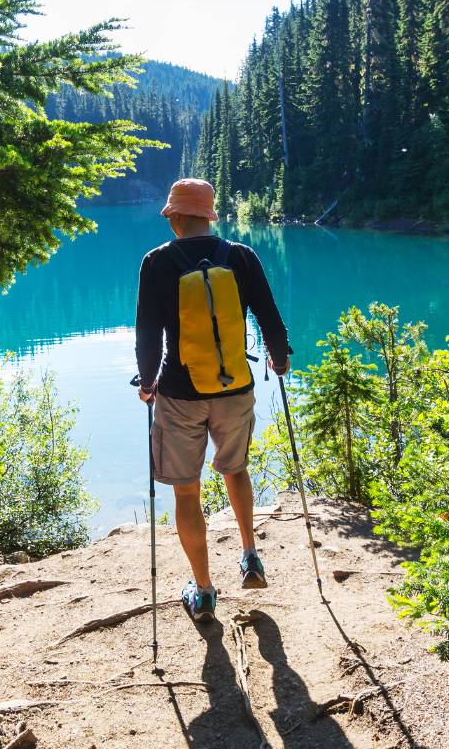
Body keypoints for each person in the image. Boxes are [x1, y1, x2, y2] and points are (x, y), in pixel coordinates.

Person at [135, 178, 291, 623]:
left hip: (181, 395)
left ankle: (203, 589)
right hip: (235, 389)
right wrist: (278, 359)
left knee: (187, 489)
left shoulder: (157, 262)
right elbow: (269, 316)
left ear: (178, 216)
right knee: (235, 469)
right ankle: (250, 556)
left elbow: (148, 335)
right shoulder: (241, 256)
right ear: (209, 216)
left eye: (171, 215)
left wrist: (148, 383)